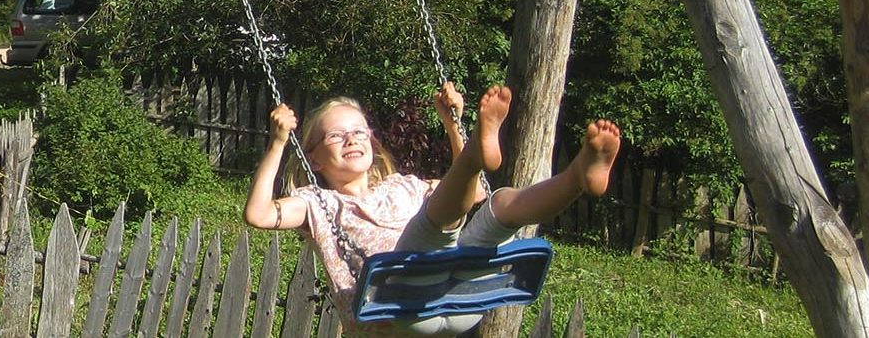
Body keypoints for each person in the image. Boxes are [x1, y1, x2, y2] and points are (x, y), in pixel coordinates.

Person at [243, 84, 620, 336]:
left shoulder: (404, 185)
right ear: (315, 160)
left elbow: (470, 194)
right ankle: (476, 151)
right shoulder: (317, 202)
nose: (351, 139)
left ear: (372, 142)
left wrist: (451, 125)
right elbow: (258, 214)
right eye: (336, 135)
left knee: (499, 203)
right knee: (432, 227)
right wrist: (278, 143)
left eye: (359, 132)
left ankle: (577, 179)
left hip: (459, 296)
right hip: (399, 311)